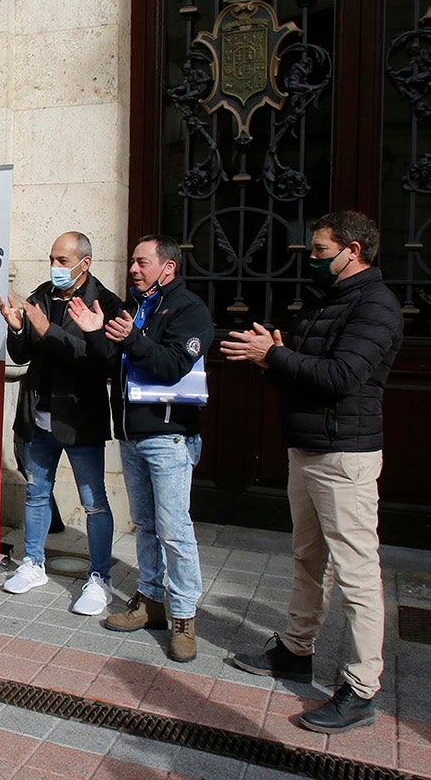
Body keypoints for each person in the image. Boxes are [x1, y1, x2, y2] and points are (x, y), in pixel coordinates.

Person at [223, 211, 403, 733]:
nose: (314, 260)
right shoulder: (331, 301)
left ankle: (363, 687)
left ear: (353, 250)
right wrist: (270, 359)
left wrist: (275, 354)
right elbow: (305, 370)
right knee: (308, 557)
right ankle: (296, 648)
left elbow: (343, 376)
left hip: (344, 455)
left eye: (321, 251)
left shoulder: (377, 306)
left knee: (357, 572)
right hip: (307, 448)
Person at [68, 234, 212, 664]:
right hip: (132, 436)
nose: (133, 268)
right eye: (132, 261)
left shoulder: (189, 310)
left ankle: (184, 618)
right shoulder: (138, 308)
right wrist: (97, 335)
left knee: (174, 529)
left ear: (167, 267)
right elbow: (115, 364)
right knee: (146, 525)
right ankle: (150, 602)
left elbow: (171, 365)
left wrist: (130, 339)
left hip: (169, 438)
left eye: (142, 262)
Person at [0, 231, 122, 615]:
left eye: (63, 261)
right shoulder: (41, 295)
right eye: (52, 258)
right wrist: (17, 327)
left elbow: (95, 358)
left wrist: (47, 331)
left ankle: (100, 577)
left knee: (93, 502)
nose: (55, 267)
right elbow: (22, 354)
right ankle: (33, 562)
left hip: (80, 418)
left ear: (85, 263)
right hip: (40, 415)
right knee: (37, 493)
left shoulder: (106, 303)